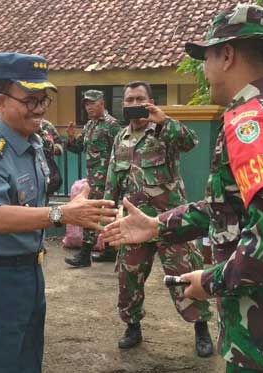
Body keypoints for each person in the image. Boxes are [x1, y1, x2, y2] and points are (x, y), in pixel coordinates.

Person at [101, 5, 263, 371]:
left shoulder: (252, 120)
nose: (205, 70)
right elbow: (229, 208)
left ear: (227, 55)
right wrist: (157, 226)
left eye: (206, 58)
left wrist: (214, 280)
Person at [0, 52, 117, 373]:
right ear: (2, 101)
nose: (40, 110)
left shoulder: (32, 145)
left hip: (31, 273)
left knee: (28, 361)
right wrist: (62, 215)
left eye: (43, 100)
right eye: (30, 101)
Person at [103, 80, 213, 356]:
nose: (133, 104)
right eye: (128, 100)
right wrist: (108, 215)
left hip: (171, 223)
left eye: (139, 98)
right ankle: (132, 326)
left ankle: (201, 327)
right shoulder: (120, 138)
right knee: (128, 278)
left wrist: (164, 121)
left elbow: (190, 142)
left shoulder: (164, 131)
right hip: (134, 224)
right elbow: (113, 179)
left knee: (184, 276)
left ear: (150, 102)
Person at [65, 89, 121, 266]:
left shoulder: (112, 125)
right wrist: (72, 137)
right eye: (86, 104)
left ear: (102, 103)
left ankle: (85, 255)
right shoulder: (90, 125)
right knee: (102, 213)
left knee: (95, 213)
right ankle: (110, 250)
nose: (88, 107)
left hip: (107, 178)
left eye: (92, 103)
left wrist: (116, 178)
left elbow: (120, 152)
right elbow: (78, 148)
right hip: (93, 179)